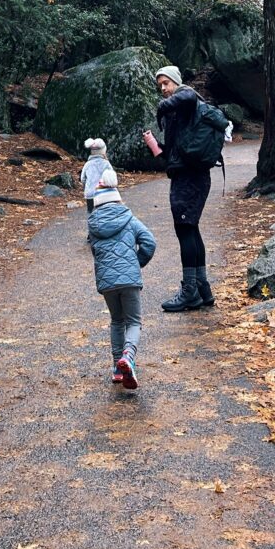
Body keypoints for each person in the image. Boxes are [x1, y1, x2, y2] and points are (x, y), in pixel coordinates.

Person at [143, 64, 215, 312]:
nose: (163, 89)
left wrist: (162, 106)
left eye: (166, 83)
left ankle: (190, 292)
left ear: (175, 82)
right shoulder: (178, 114)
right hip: (186, 176)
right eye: (160, 85)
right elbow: (172, 153)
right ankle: (202, 289)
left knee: (185, 230)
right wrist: (156, 147)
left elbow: (187, 94)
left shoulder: (185, 97)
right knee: (190, 230)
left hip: (191, 179)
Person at [87, 169, 156, 389]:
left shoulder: (93, 225)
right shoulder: (130, 220)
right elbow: (149, 243)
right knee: (134, 321)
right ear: (117, 197)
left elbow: (95, 252)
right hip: (130, 280)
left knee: (117, 321)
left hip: (107, 283)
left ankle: (118, 368)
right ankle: (128, 356)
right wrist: (136, 263)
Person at [79, 136, 116, 215]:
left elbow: (82, 178)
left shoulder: (87, 164)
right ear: (103, 151)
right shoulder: (106, 163)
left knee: (91, 213)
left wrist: (86, 186)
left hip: (90, 194)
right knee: (103, 213)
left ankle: (92, 226)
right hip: (103, 192)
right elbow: (112, 177)